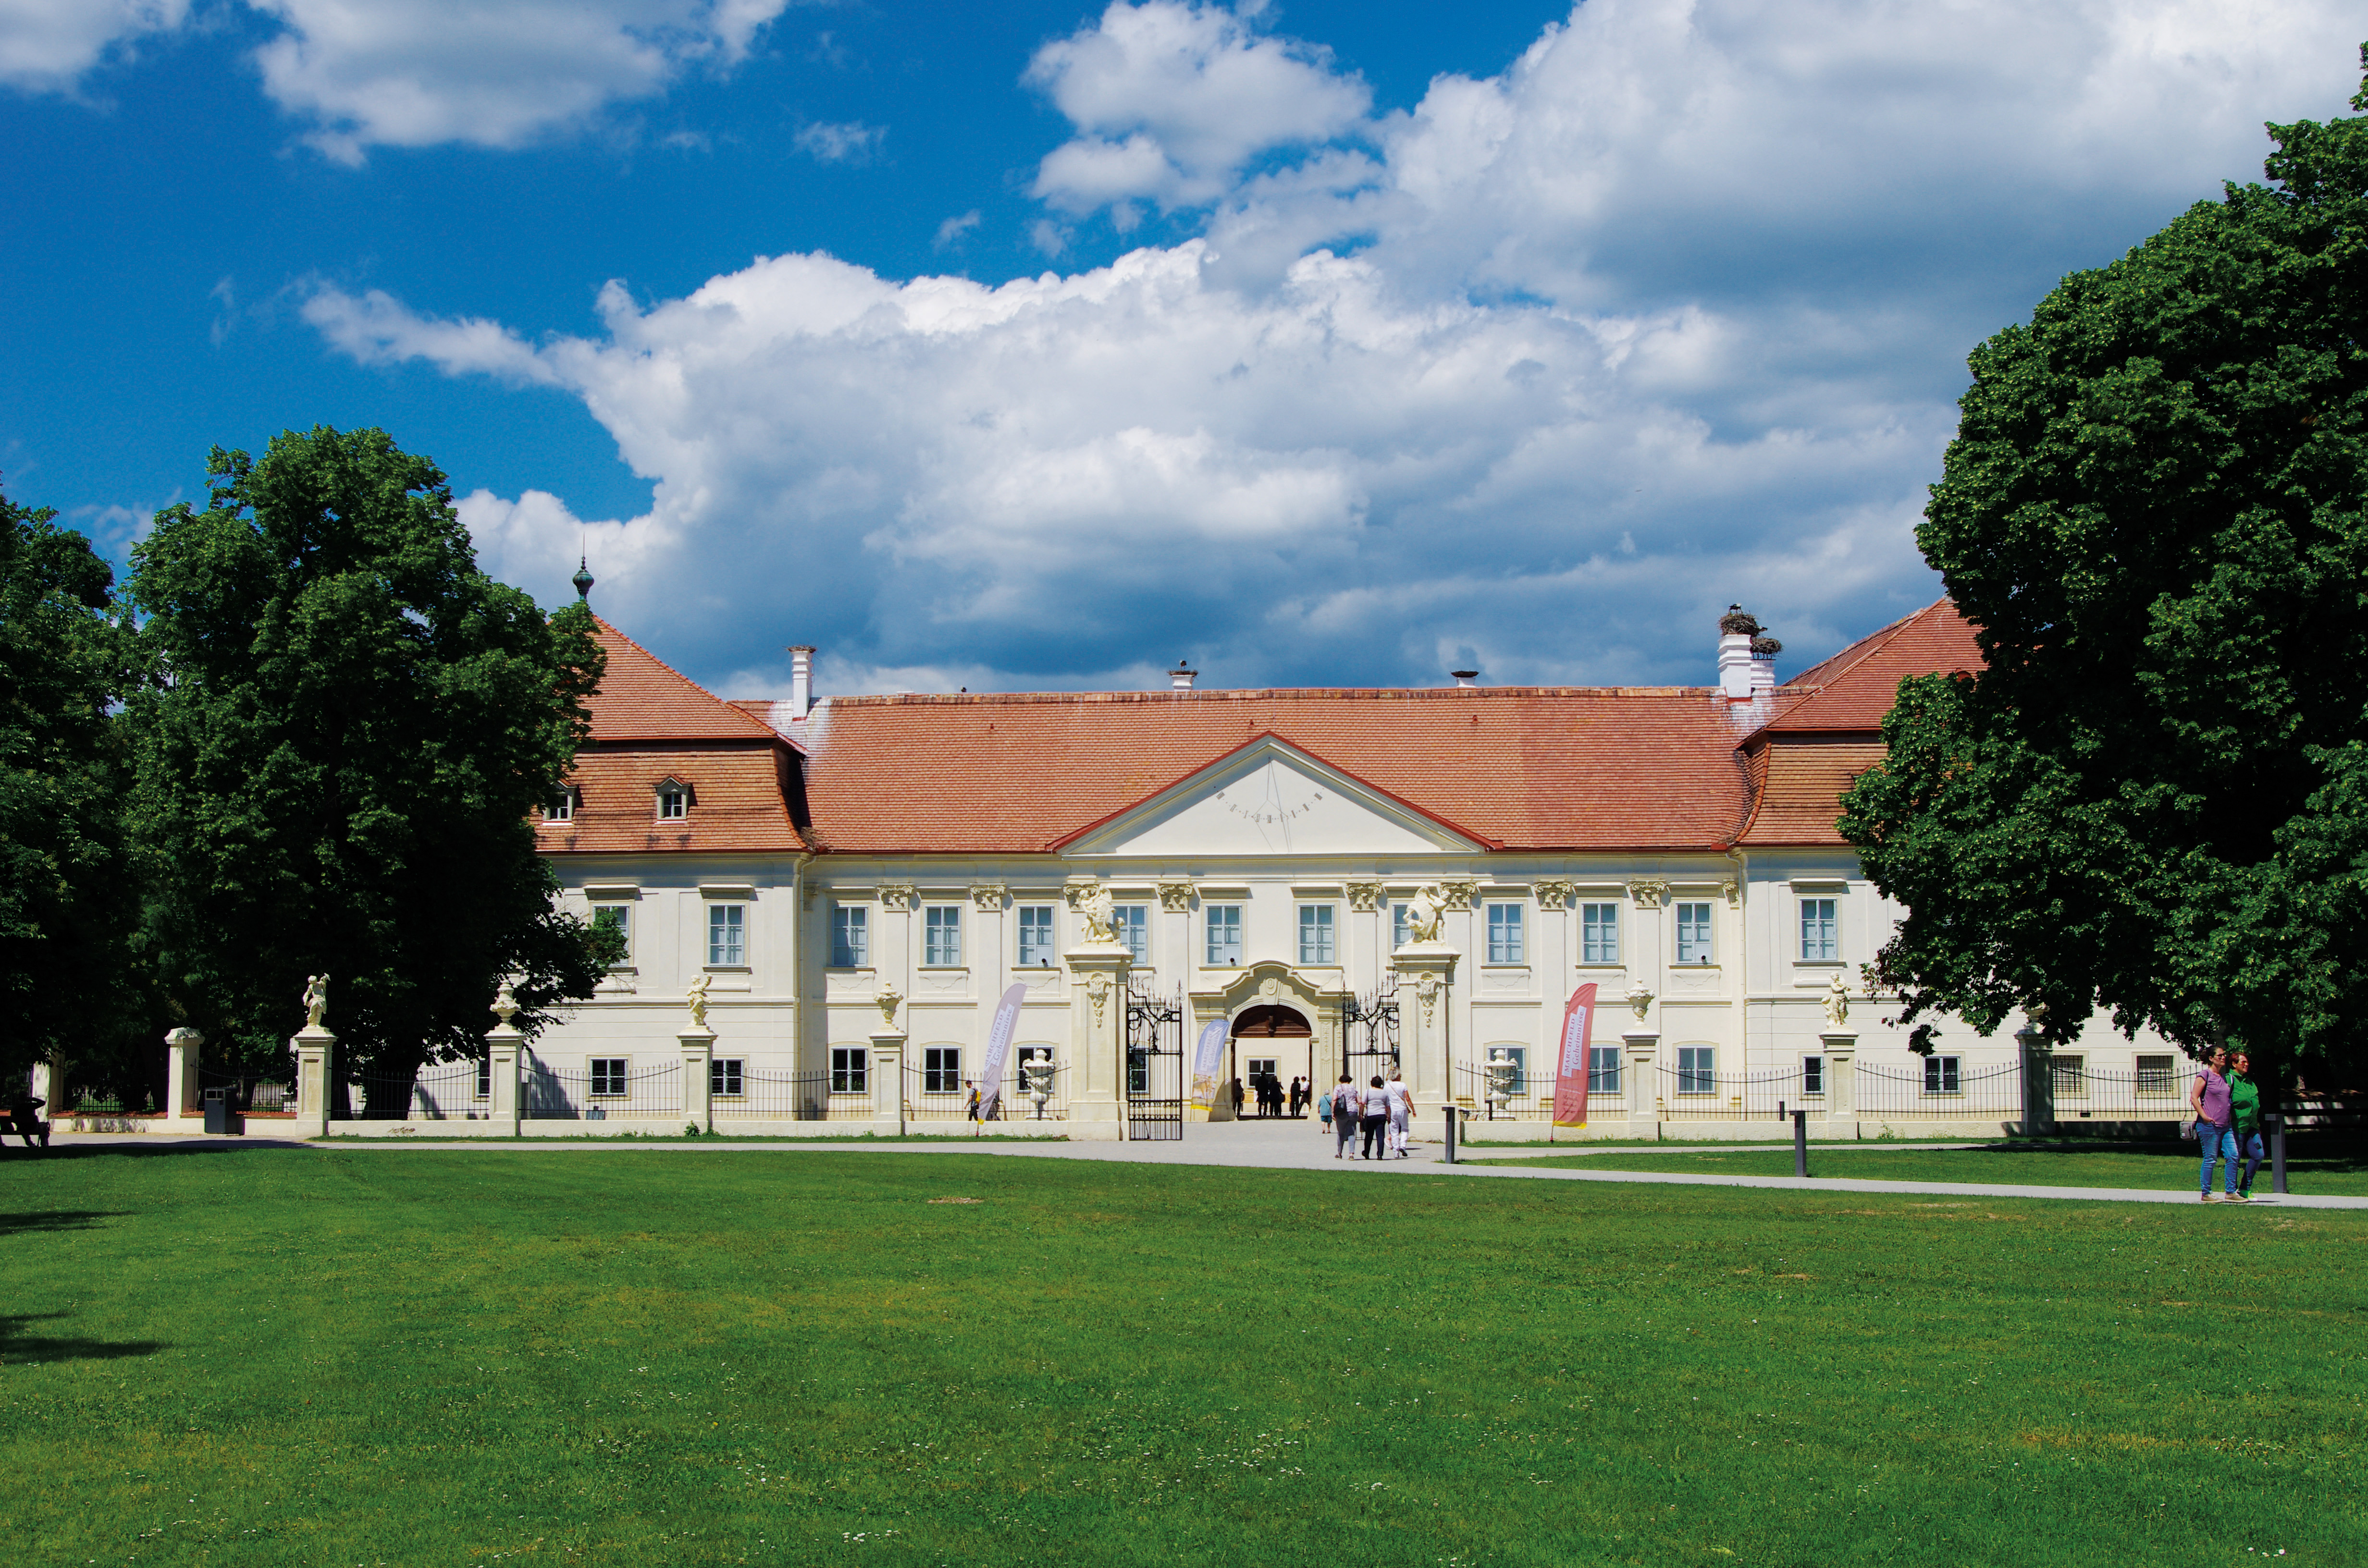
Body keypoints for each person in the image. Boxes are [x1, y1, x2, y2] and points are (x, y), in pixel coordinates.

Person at [2189, 1046, 2237, 1201]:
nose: (2224, 1058)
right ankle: (2206, 1193)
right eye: (2220, 1056)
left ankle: (2230, 1192)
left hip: (2226, 1125)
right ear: (2211, 1058)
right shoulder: (2205, 1076)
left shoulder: (2225, 1078)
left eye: (2224, 1055)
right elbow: (2194, 1098)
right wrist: (2205, 1116)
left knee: (2233, 1155)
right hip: (2209, 1125)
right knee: (2210, 1159)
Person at [2229, 1051, 2265, 1202]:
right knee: (2234, 1158)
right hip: (2236, 1127)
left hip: (2252, 1127)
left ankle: (2245, 1188)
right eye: (2243, 1062)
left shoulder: (2250, 1082)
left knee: (2259, 1155)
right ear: (2234, 1064)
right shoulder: (2229, 1081)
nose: (2246, 1064)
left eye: (2247, 1062)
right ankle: (2231, 1191)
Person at [1386, 1068, 1415, 1159]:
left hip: (1392, 1109)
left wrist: (1387, 1112)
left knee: (1394, 1131)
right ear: (1398, 1076)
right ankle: (1403, 1146)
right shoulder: (1403, 1085)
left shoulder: (1387, 1086)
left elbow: (1385, 1099)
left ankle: (1396, 1152)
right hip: (1402, 1109)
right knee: (1405, 1129)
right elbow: (1408, 1099)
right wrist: (1413, 1110)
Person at [1360, 1074, 1389, 1160]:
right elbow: (1387, 1106)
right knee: (1380, 1136)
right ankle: (1380, 1154)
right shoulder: (1384, 1092)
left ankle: (1367, 1153)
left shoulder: (1368, 1091)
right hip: (1381, 1114)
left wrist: (1360, 1114)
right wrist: (1389, 1116)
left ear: (1372, 1083)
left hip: (1371, 1115)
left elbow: (1363, 1103)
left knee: (1369, 1135)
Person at [1332, 1074, 1360, 1159]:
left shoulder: (1338, 1087)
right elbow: (1360, 1101)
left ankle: (1340, 1153)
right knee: (1351, 1133)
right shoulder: (1353, 1088)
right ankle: (1351, 1154)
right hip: (1353, 1111)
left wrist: (1333, 1111)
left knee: (1341, 1133)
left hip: (1342, 1111)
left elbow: (1334, 1099)